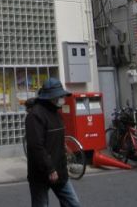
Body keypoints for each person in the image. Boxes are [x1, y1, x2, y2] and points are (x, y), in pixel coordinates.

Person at [25, 78, 80, 207]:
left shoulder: (56, 113)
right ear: (51, 97)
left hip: (60, 171)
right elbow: (36, 146)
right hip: (41, 173)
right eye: (60, 96)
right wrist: (50, 169)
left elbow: (56, 137)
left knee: (73, 203)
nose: (62, 98)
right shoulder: (35, 115)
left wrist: (65, 147)